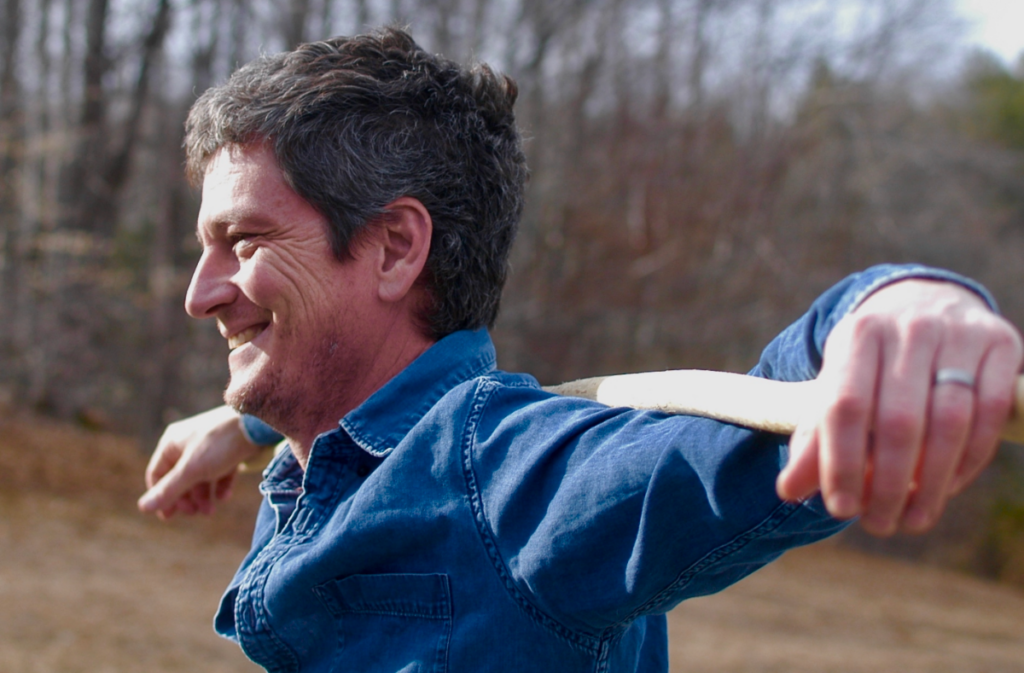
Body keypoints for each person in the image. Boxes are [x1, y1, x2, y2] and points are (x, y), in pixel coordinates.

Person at [137, 27, 1022, 672]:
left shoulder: (520, 476)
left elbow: (756, 429)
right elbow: (377, 408)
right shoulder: (322, 442)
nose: (199, 292)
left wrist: (895, 309)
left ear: (397, 249)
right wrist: (240, 425)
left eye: (245, 242)